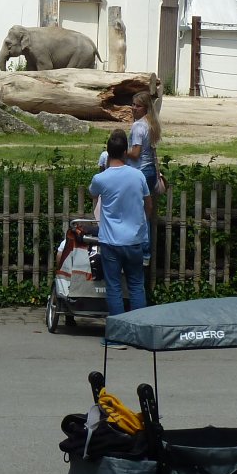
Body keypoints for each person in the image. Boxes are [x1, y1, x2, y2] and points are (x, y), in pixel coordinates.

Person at [90, 128, 150, 326]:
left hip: (110, 241)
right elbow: (148, 205)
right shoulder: (138, 176)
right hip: (134, 240)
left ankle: (118, 331)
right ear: (125, 152)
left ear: (108, 152)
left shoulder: (101, 178)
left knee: (114, 287)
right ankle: (139, 328)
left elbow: (93, 194)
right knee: (136, 285)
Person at [126, 91, 166, 267]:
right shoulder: (150, 124)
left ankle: (143, 250)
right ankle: (145, 252)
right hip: (149, 170)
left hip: (139, 170)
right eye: (133, 104)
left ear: (145, 108)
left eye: (138, 105)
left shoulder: (137, 126)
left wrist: (119, 150)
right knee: (146, 211)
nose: (133, 108)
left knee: (138, 213)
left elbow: (135, 154)